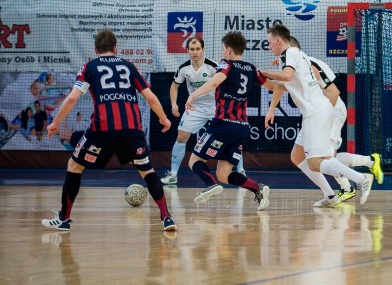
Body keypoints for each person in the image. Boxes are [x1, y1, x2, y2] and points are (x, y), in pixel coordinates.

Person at [41, 28, 177, 231]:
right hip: (132, 129)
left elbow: (72, 98)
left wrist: (55, 123)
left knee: (75, 166)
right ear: (115, 48)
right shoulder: (129, 66)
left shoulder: (90, 66)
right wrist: (164, 118)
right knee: (147, 171)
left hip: (102, 130)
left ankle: (64, 219)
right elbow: (150, 97)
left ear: (96, 49)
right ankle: (167, 218)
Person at [261, 24, 376, 205]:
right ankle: (330, 195)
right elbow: (280, 86)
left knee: (316, 162)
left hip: (317, 112)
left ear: (278, 40)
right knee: (297, 156)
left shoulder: (291, 53)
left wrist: (262, 72)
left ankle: (361, 178)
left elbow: (287, 76)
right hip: (314, 112)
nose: (269, 48)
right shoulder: (299, 57)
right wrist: (260, 79)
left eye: (269, 43)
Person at [184, 31, 277, 211]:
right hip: (242, 127)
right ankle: (258, 189)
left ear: (227, 50)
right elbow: (275, 87)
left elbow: (214, 82)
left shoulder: (226, 65)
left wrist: (193, 95)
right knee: (224, 174)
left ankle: (210, 185)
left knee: (194, 160)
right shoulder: (252, 68)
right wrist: (275, 105)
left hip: (223, 124)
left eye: (222, 49)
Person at [161, 36, 247, 185]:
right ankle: (173, 174)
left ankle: (240, 171)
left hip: (216, 107)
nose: (195, 52)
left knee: (230, 137)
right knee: (181, 136)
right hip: (195, 107)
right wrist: (174, 103)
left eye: (198, 49)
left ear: (203, 50)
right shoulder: (183, 68)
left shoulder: (214, 66)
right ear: (187, 50)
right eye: (192, 49)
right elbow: (174, 85)